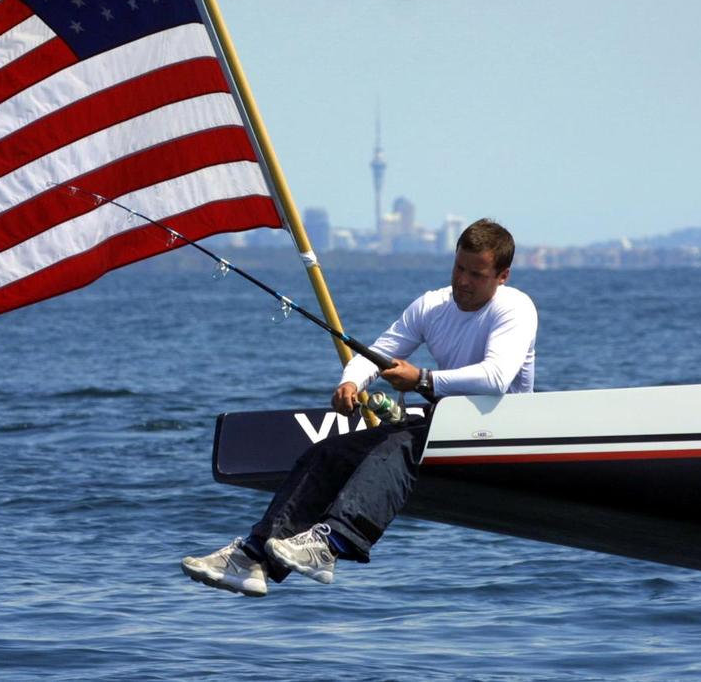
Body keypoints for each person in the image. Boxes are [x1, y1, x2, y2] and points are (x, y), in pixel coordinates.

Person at [181, 218, 538, 597]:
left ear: (502, 276)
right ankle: (254, 558)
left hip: (504, 432)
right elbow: (377, 355)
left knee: (396, 446)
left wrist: (422, 380)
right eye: (459, 268)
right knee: (329, 452)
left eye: (476, 274)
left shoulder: (515, 308)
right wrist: (351, 382)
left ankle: (333, 543)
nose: (463, 281)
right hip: (448, 424)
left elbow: (496, 378)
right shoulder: (432, 306)